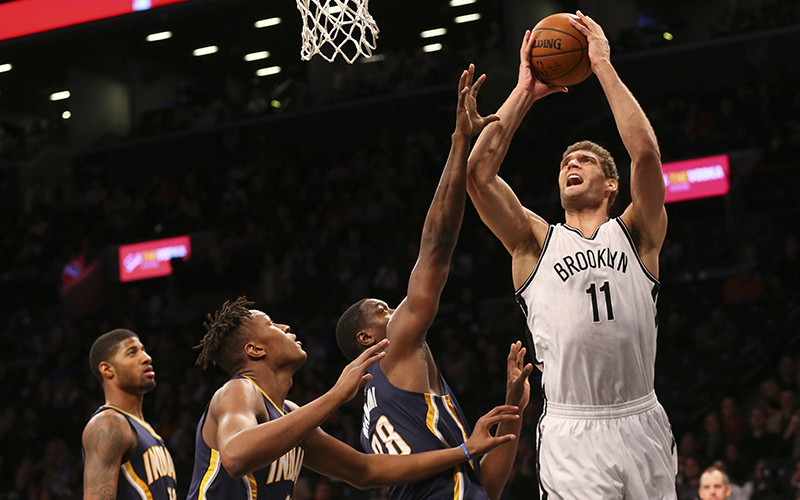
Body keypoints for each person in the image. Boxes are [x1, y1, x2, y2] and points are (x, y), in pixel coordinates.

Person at [466, 11, 677, 499]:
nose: (570, 164)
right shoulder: (535, 241)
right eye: (565, 162)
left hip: (641, 418)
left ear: (611, 183)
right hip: (572, 427)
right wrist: (524, 91)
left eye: (584, 160)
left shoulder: (638, 232)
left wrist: (601, 65)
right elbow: (478, 175)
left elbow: (645, 154)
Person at [335, 64, 533, 500]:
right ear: (367, 337)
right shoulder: (394, 351)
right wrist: (460, 142)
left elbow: (488, 485)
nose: (400, 310)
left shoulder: (395, 407)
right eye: (386, 310)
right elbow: (437, 248)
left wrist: (513, 408)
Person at [187, 296, 520, 500]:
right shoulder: (237, 391)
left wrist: (463, 452)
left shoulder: (288, 415)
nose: (287, 327)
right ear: (255, 350)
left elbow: (365, 470)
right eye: (273, 324)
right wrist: (335, 395)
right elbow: (235, 455)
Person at [82, 328, 178, 500]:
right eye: (132, 353)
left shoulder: (148, 431)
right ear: (107, 369)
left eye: (143, 350)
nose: (147, 358)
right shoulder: (108, 423)